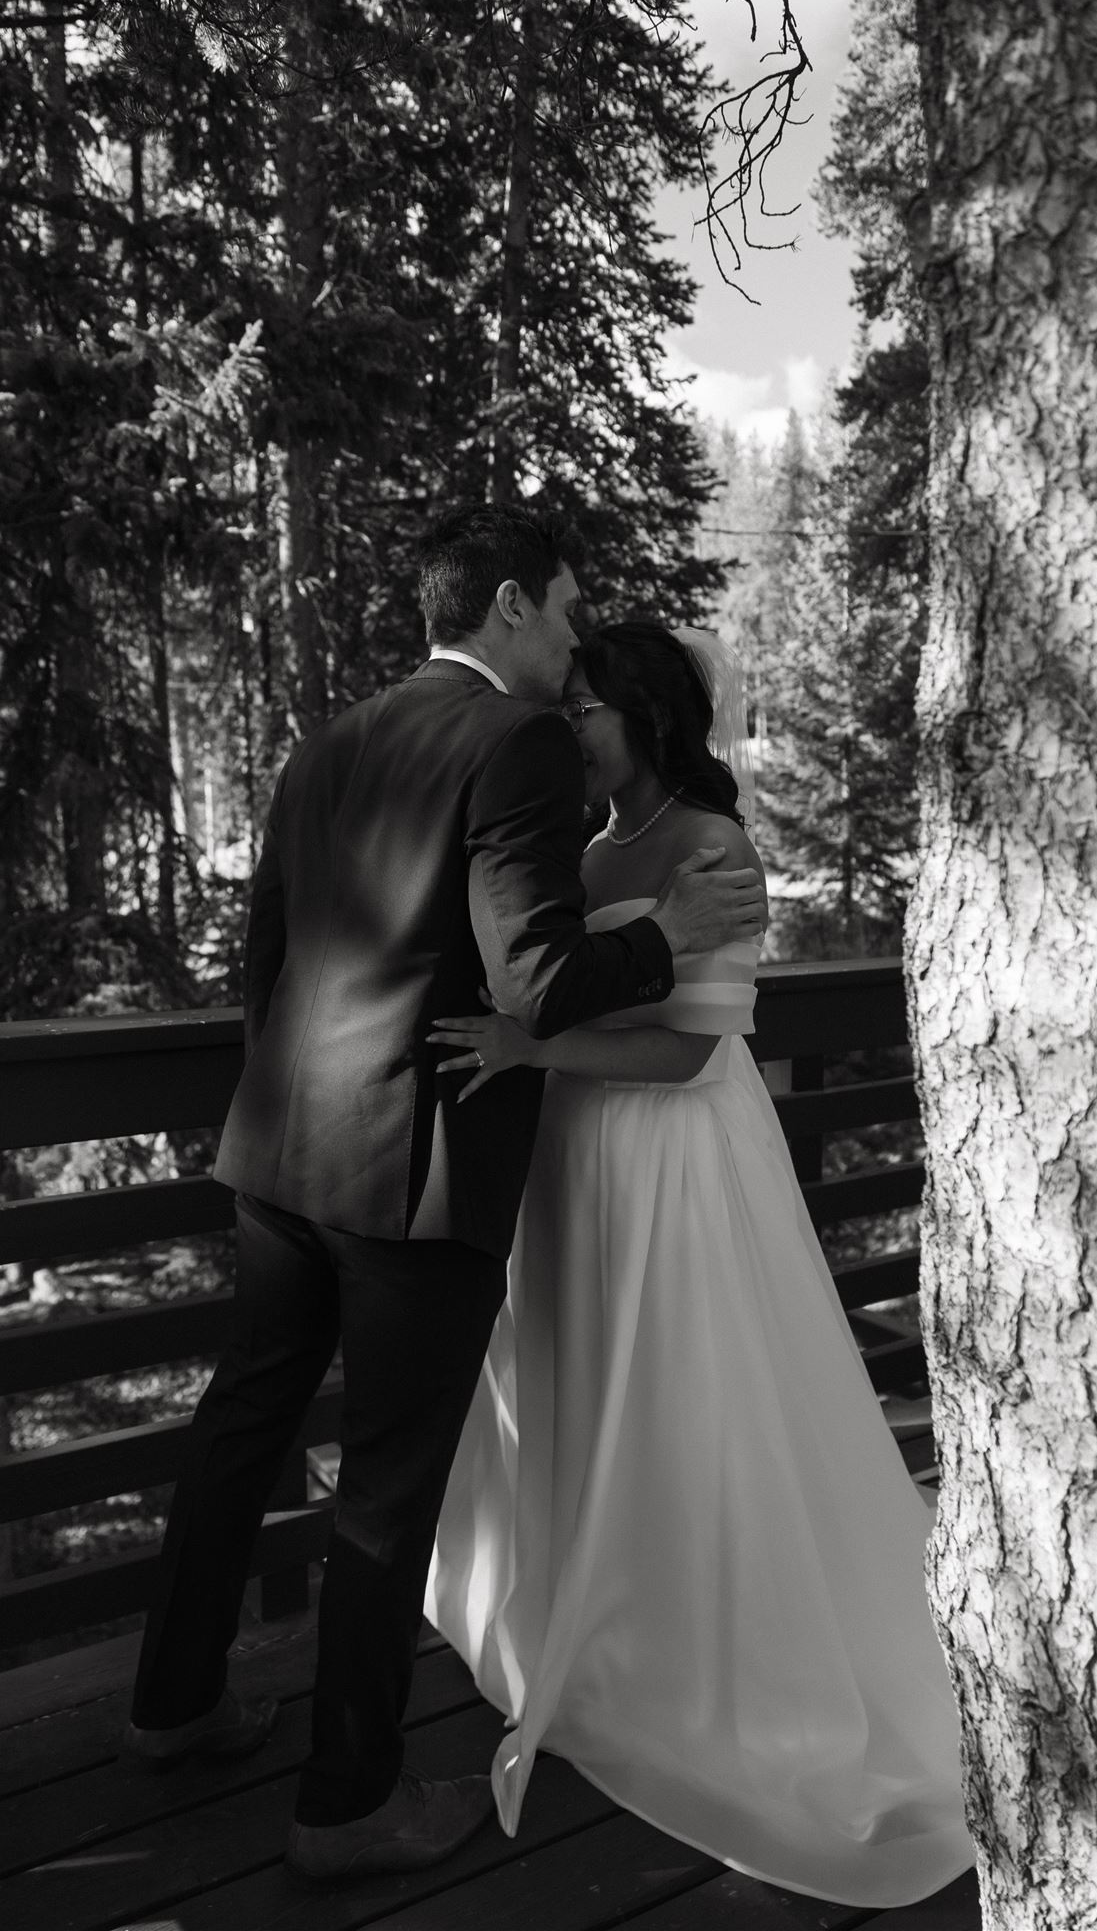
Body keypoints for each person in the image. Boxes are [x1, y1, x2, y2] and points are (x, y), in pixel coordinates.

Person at [123, 509, 766, 1886]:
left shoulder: (334, 735)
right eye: (568, 609)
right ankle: (346, 1800)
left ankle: (170, 1707)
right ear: (511, 605)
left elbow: (267, 961)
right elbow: (532, 979)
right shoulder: (515, 743)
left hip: (281, 1152)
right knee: (387, 1484)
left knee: (241, 1423)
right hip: (410, 1170)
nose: (577, 637)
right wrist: (667, 937)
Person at [425, 619, 976, 1910]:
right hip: (571, 1164)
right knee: (574, 1382)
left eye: (588, 714)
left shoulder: (715, 849)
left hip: (669, 1162)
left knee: (680, 1397)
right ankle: (590, 1617)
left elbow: (683, 1054)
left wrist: (524, 1051)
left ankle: (697, 1655)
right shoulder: (585, 847)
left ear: (649, 721)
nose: (570, 733)